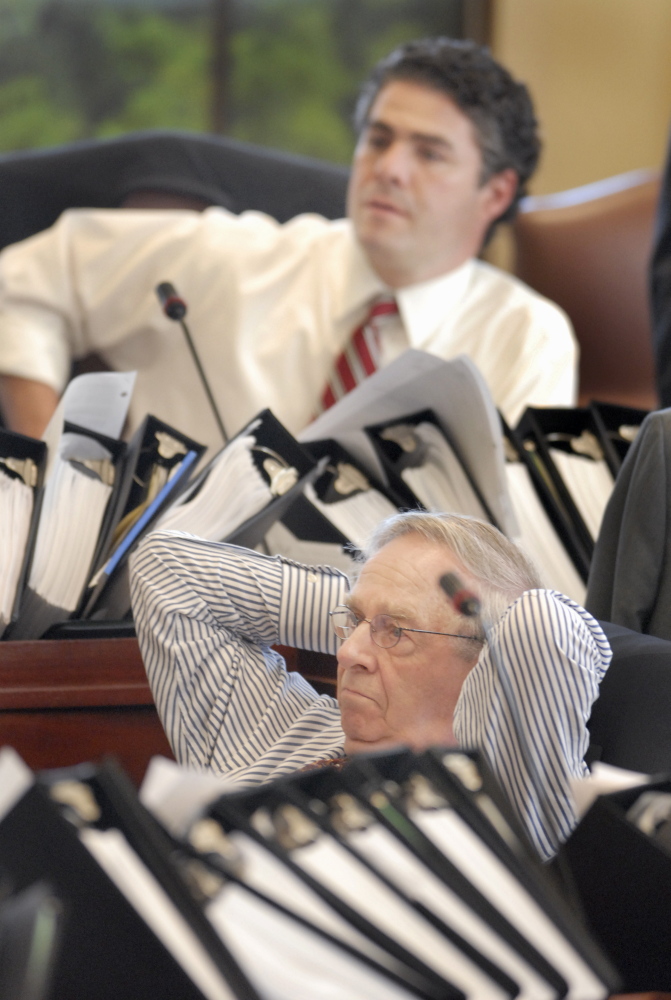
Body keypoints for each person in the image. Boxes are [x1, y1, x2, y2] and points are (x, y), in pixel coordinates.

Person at [0, 37, 576, 453]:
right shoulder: (233, 257)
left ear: (496, 192)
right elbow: (25, 281)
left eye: (429, 153)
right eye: (378, 139)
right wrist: (54, 473)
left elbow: (510, 556)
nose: (390, 168)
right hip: (155, 609)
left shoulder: (526, 336)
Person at [129, 511, 611, 861]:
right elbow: (167, 570)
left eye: (396, 632)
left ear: (486, 662)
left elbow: (541, 624)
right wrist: (381, 607)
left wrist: (439, 618)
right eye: (352, 623)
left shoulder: (505, 783)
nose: (346, 654)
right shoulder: (281, 730)